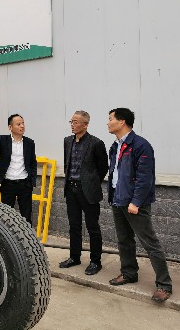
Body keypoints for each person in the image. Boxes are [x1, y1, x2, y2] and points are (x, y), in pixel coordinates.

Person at [106, 108, 173, 302]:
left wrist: (135, 202)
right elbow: (115, 174)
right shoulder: (115, 146)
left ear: (122, 122)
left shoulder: (141, 145)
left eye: (110, 119)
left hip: (134, 203)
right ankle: (129, 273)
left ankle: (164, 284)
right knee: (124, 240)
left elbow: (145, 178)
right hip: (118, 199)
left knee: (150, 243)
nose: (108, 123)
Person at [59, 111, 108, 275]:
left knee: (92, 227)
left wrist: (91, 183)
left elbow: (103, 167)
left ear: (85, 125)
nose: (72, 125)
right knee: (74, 226)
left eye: (76, 122)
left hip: (88, 191)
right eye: (71, 121)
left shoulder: (96, 143)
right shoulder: (67, 141)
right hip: (71, 190)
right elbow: (67, 164)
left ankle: (95, 261)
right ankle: (74, 257)